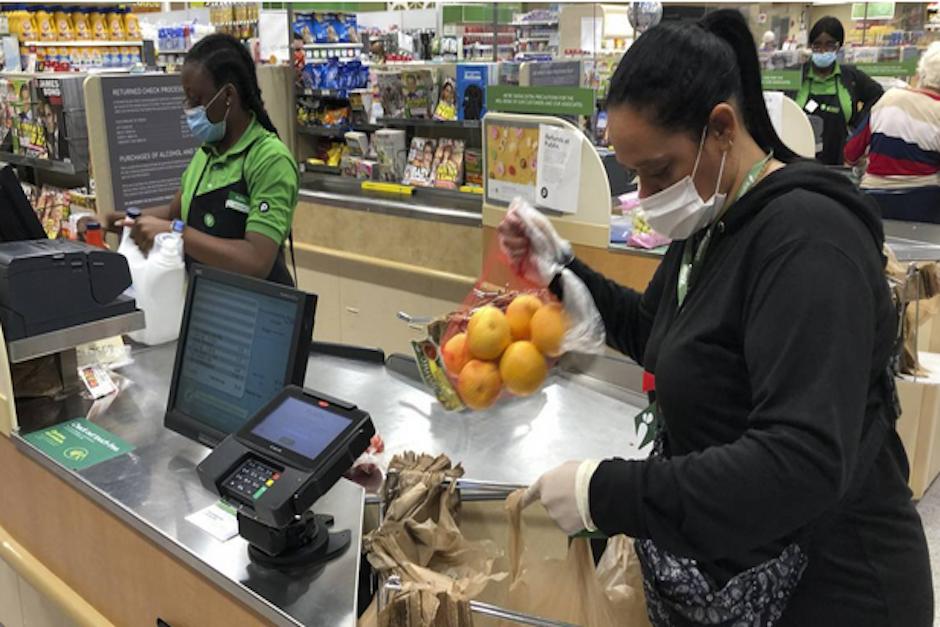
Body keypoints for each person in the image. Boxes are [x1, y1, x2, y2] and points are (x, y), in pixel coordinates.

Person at [504, 10, 932, 626]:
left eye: (659, 171)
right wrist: (558, 269)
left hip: (837, 592)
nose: (647, 198)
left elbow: (800, 460)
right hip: (746, 576)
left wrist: (605, 493)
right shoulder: (713, 220)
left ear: (722, 128)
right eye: (635, 174)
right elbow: (660, 336)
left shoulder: (808, 243)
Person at [105, 34, 298, 285]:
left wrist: (178, 234)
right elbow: (175, 212)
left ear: (228, 95)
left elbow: (256, 261)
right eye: (186, 99)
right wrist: (116, 220)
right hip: (208, 305)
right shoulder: (206, 153)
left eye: (196, 99)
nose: (189, 109)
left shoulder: (269, 159)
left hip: (256, 312)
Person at [844, 42, 940, 222]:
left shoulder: (889, 98)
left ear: (922, 72)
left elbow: (850, 153)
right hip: (924, 206)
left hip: (873, 202)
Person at [796, 16, 883, 165]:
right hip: (797, 160)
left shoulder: (851, 77)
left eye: (829, 45)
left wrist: (860, 126)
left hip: (840, 160)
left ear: (838, 46)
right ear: (810, 46)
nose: (823, 51)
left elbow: (878, 95)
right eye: (817, 45)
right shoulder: (795, 76)